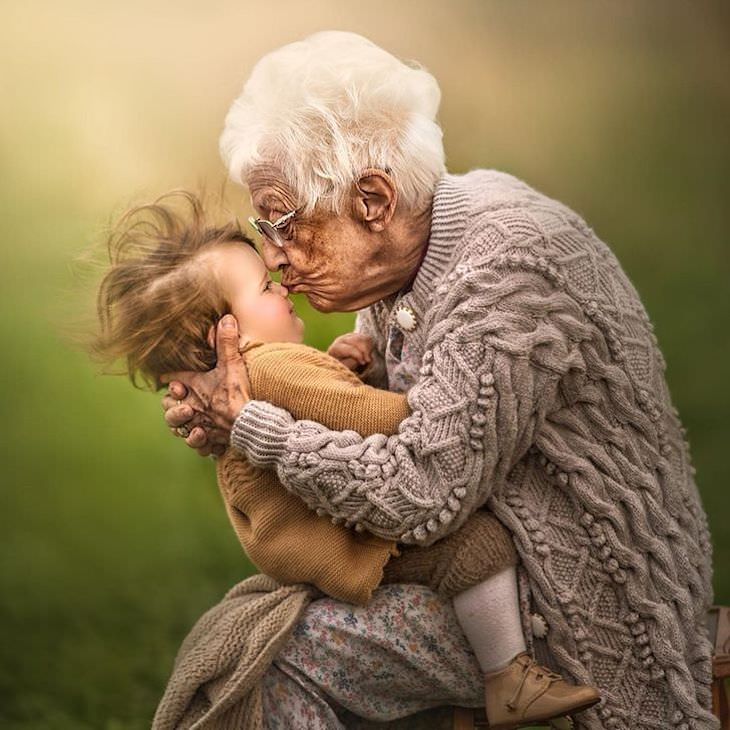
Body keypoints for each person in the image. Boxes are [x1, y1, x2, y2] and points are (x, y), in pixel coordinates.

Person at [163, 31, 717, 730]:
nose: (273, 257)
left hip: (576, 602)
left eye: (282, 222)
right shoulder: (410, 245)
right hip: (484, 571)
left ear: (372, 198)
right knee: (246, 631)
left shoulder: (509, 272)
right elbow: (403, 358)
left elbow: (420, 492)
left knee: (266, 660)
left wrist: (253, 426)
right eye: (262, 226)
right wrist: (233, 406)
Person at [91, 191, 600, 729]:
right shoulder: (275, 370)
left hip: (313, 545)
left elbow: (321, 410)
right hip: (352, 548)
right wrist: (432, 402)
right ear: (225, 335)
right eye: (264, 288)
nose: (282, 286)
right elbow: (363, 416)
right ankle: (510, 676)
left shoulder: (270, 373)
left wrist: (342, 368)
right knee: (477, 545)